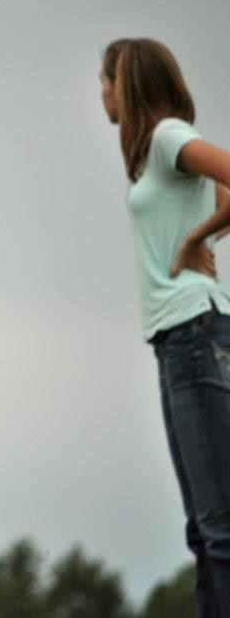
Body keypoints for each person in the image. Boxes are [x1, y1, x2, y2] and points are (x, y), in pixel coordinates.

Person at [101, 38, 230, 617]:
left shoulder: (167, 136)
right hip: (178, 340)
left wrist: (198, 238)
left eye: (106, 81)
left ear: (126, 84)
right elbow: (218, 194)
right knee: (204, 531)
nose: (102, 94)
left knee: (219, 528)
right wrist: (204, 229)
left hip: (195, 333)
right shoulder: (153, 152)